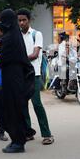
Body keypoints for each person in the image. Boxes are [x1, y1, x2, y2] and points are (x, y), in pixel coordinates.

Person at [0, 9, 36, 153]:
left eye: (3, 20)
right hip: (13, 79)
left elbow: (1, 62)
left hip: (13, 80)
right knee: (9, 108)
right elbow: (7, 58)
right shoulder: (14, 36)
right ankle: (24, 132)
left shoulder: (9, 38)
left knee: (7, 109)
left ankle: (18, 141)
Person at [18, 8, 54, 145]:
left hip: (34, 75)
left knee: (37, 104)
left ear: (29, 20)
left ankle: (47, 134)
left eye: (24, 20)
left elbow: (34, 55)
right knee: (22, 105)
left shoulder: (36, 34)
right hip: (20, 75)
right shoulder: (17, 35)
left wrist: (18, 59)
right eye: (19, 20)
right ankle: (28, 132)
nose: (21, 23)